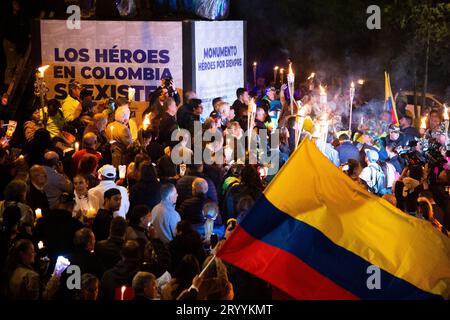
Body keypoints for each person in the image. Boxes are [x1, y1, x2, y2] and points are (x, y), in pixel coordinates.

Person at [33, 193, 83, 263]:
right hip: (69, 263)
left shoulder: (42, 221)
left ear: (58, 204)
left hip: (46, 262)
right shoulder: (77, 225)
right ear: (72, 206)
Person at [106, 97, 132, 166]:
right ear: (126, 118)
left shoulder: (109, 125)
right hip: (121, 161)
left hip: (110, 158)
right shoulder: (124, 129)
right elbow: (130, 146)